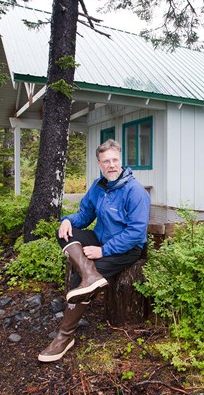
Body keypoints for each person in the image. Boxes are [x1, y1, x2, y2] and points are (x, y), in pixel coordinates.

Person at [38, 139, 150, 362]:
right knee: (65, 233)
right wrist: (68, 220)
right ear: (99, 164)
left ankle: (64, 336)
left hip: (128, 248)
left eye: (115, 160)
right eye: (106, 161)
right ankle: (90, 275)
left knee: (80, 275)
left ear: (121, 160)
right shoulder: (99, 187)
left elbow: (136, 233)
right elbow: (84, 216)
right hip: (101, 238)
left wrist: (104, 251)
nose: (111, 165)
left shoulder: (135, 191)